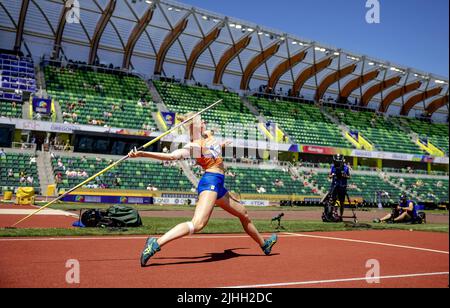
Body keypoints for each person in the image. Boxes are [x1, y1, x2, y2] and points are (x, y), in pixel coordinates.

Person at [128, 112, 278, 267]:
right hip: (210, 181)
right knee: (198, 224)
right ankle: (155, 243)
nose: (205, 122)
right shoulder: (193, 146)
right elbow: (172, 156)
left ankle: (264, 245)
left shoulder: (207, 137)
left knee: (243, 213)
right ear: (195, 125)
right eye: (201, 120)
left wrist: (221, 145)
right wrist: (142, 153)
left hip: (219, 184)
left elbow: (211, 147)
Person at [328, 154, 351, 219]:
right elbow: (329, 176)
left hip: (342, 186)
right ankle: (331, 214)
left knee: (342, 202)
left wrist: (344, 176)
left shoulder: (346, 167)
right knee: (333, 200)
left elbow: (349, 176)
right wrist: (332, 175)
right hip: (334, 185)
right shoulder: (333, 167)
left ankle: (341, 215)